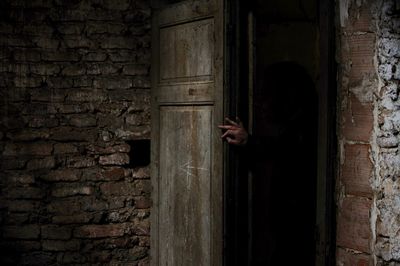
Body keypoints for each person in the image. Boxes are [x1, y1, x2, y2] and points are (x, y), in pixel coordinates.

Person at [219, 62, 318, 266]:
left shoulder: (302, 128)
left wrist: (249, 140)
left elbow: (287, 150)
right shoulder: (288, 125)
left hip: (296, 223)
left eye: (267, 94)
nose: (261, 103)